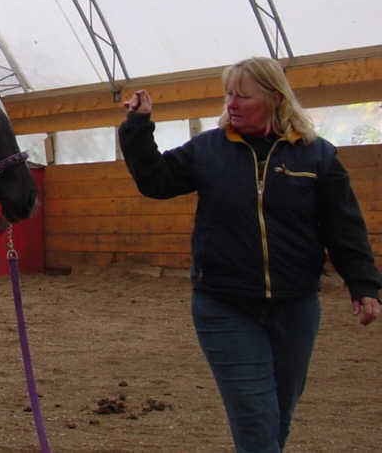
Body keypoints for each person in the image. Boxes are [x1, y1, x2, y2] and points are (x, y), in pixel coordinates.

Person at [118, 56, 381, 453]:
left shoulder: (316, 156)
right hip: (224, 304)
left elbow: (343, 227)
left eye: (242, 95)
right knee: (256, 419)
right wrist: (137, 127)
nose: (231, 104)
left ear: (275, 98)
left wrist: (363, 283)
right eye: (228, 95)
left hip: (296, 306)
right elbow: (155, 180)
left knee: (278, 415)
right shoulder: (208, 150)